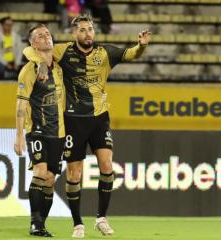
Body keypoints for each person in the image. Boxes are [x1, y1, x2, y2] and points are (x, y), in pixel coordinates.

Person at [23, 14, 151, 238]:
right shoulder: (64, 51)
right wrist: (41, 63)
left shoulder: (105, 52)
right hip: (73, 121)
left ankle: (101, 218)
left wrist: (141, 46)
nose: (87, 33)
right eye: (82, 30)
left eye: (90, 29)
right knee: (74, 174)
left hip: (99, 118)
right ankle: (77, 223)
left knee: (107, 165)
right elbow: (33, 50)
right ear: (75, 34)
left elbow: (130, 54)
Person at [14, 24, 65, 237]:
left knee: (50, 179)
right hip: (37, 130)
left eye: (47, 34)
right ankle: (35, 223)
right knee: (40, 173)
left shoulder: (60, 67)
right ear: (33, 44)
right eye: (39, 36)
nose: (45, 37)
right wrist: (18, 136)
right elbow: (21, 105)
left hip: (59, 132)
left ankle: (42, 224)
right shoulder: (29, 70)